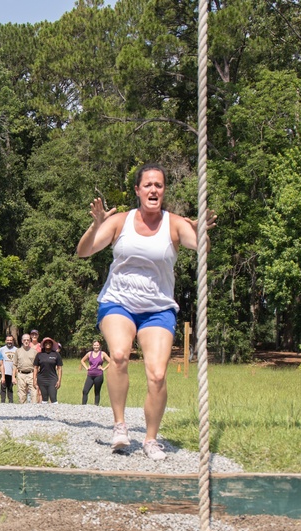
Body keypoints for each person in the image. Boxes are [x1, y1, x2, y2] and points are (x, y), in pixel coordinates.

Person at [77, 163, 213, 459]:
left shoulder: (174, 223)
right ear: (137, 190)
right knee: (121, 355)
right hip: (118, 302)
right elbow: (83, 251)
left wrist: (201, 231)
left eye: (159, 185)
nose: (154, 189)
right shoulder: (121, 222)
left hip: (158, 309)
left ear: (164, 191)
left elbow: (202, 248)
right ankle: (120, 425)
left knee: (158, 373)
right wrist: (96, 224)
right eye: (148, 185)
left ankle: (151, 439)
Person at [33, 337, 63, 403]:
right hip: (42, 379)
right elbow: (35, 368)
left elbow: (59, 368)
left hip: (52, 379)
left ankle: (56, 412)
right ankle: (45, 412)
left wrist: (59, 380)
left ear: (52, 344)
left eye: (49, 342)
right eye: (46, 343)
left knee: (53, 397)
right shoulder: (39, 355)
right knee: (44, 398)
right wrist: (34, 380)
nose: (48, 344)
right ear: (43, 344)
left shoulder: (56, 354)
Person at [80, 340, 110, 406]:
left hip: (98, 375)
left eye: (97, 345)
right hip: (90, 375)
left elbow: (111, 361)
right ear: (92, 346)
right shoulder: (89, 353)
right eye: (94, 345)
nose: (96, 346)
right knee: (85, 391)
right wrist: (86, 367)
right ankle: (83, 406)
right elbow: (82, 360)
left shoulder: (102, 353)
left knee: (96, 392)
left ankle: (96, 406)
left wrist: (104, 368)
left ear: (99, 346)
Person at [12, 333, 37, 404]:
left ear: (30, 341)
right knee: (21, 394)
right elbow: (14, 364)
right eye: (24, 340)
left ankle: (34, 410)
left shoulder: (34, 352)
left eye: (28, 340)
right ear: (22, 341)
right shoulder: (18, 351)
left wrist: (36, 376)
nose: (26, 341)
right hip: (21, 374)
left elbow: (37, 366)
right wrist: (13, 377)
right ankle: (22, 411)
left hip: (31, 374)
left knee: (34, 393)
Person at [0, 334, 17, 403]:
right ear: (5, 341)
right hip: (3, 372)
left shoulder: (16, 350)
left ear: (13, 341)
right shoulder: (1, 349)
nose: (9, 341)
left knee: (10, 389)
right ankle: (2, 402)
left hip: (12, 372)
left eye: (11, 340)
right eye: (8, 340)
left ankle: (11, 403)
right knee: (3, 388)